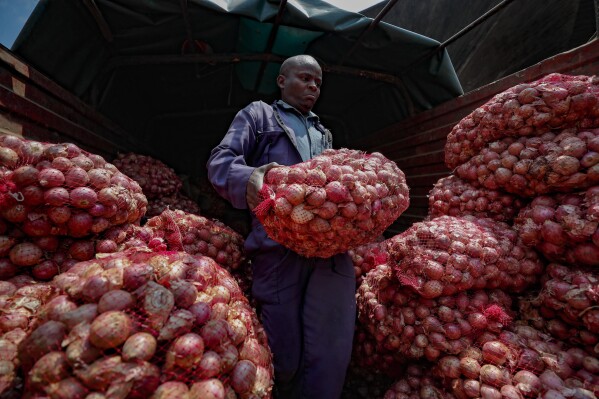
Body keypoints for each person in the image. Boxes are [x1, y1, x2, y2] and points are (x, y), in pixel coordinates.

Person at [206, 54, 356, 399]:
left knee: (330, 346)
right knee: (283, 351)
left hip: (327, 249)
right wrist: (249, 178)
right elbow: (221, 161)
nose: (312, 87)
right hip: (277, 246)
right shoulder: (258, 115)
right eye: (304, 78)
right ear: (281, 81)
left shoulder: (323, 132)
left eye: (318, 82)